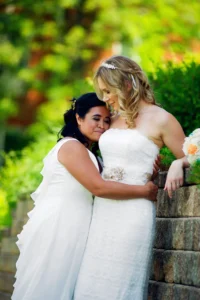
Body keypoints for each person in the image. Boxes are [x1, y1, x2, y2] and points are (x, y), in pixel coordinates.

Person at [12, 93, 158, 300]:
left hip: (76, 226)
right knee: (50, 285)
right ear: (79, 118)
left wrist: (147, 172)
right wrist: (144, 191)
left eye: (107, 120)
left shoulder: (88, 152)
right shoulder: (71, 147)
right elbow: (99, 187)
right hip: (59, 226)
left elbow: (114, 179)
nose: (102, 125)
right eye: (96, 118)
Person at [73, 57, 190, 300]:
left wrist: (179, 163)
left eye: (108, 90)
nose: (105, 98)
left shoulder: (162, 119)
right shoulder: (111, 119)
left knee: (121, 282)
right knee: (91, 281)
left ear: (126, 84)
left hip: (134, 214)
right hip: (103, 211)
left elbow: (194, 155)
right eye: (102, 92)